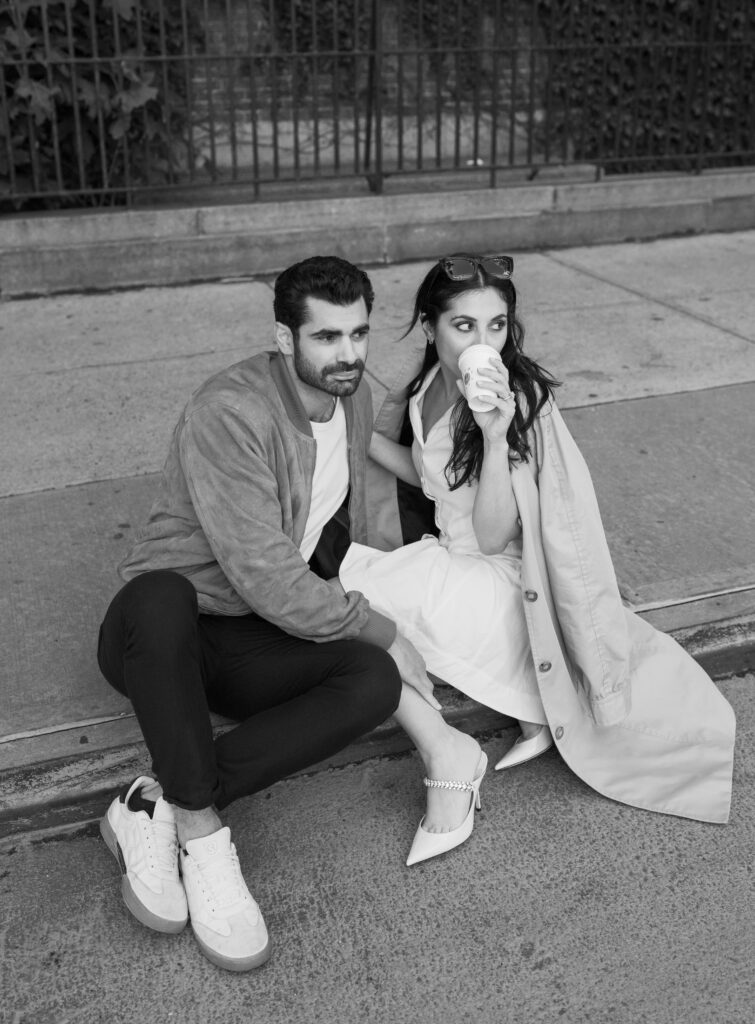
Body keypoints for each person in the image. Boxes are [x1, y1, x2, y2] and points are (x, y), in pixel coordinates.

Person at [96, 255, 439, 972]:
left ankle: (152, 802)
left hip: (250, 638)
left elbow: (337, 524)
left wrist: (383, 616)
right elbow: (264, 572)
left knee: (371, 681)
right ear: (286, 340)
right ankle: (204, 834)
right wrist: (383, 624)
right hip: (161, 634)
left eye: (357, 334)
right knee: (163, 594)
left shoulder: (353, 398)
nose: (347, 354)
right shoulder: (231, 411)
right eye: (325, 338)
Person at [340, 252, 736, 866]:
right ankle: (525, 710)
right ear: (429, 327)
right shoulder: (426, 388)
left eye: (495, 325)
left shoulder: (511, 400)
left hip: (496, 573)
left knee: (351, 603)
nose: (482, 340)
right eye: (464, 326)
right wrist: (352, 428)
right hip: (450, 558)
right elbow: (429, 478)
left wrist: (495, 437)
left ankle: (458, 754)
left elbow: (495, 535)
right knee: (349, 595)